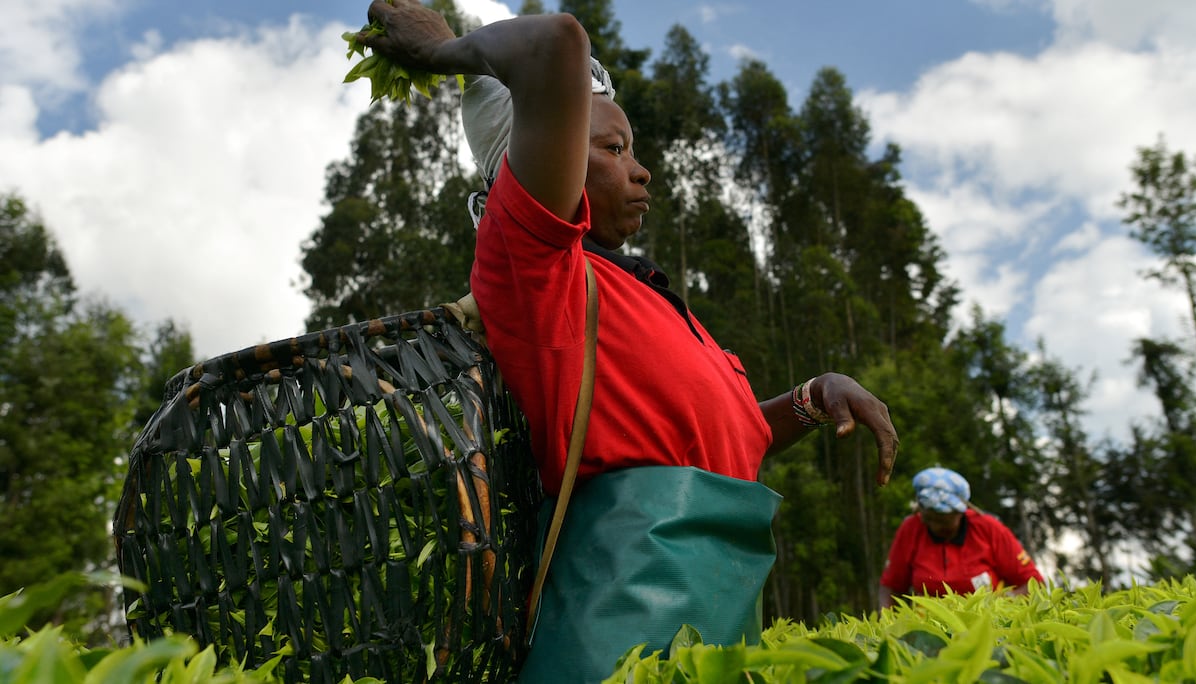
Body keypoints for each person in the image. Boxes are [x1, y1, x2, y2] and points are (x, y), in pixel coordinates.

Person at [357, 3, 899, 681]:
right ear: (538, 160)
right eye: (612, 149)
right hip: (619, 627)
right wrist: (445, 53)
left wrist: (813, 399)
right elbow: (557, 42)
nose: (641, 172)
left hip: (716, 613)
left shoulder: (647, 298)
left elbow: (718, 445)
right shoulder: (536, 265)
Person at [878, 467, 1043, 610]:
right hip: (929, 629)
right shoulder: (911, 529)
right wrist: (889, 624)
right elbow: (891, 586)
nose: (935, 527)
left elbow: (1033, 584)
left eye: (943, 520)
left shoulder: (988, 528)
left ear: (960, 512)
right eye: (929, 519)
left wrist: (1003, 603)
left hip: (988, 625)